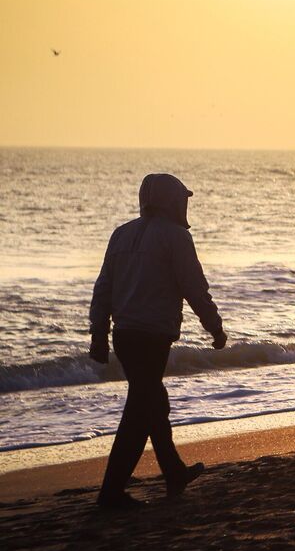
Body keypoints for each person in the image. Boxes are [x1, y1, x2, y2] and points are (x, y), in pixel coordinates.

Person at [89, 173, 228, 509]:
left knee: (152, 404)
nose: (184, 206)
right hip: (152, 338)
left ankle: (173, 471)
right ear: (171, 201)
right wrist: (215, 326)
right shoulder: (176, 237)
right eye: (181, 199)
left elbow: (103, 287)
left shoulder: (121, 234)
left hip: (125, 337)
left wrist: (99, 332)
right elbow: (194, 287)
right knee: (140, 411)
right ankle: (111, 493)